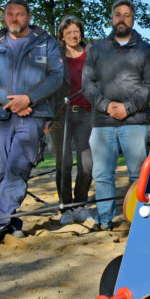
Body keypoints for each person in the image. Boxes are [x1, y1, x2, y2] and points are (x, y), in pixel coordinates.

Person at [0, 0, 64, 245]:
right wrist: (10, 100)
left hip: (32, 116)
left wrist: (29, 99)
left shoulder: (45, 43)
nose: (14, 19)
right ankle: (11, 219)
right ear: (4, 17)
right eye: (9, 14)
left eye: (19, 14)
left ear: (29, 16)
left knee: (17, 170)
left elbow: (56, 77)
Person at [83, 0, 150, 231]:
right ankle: (104, 219)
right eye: (118, 14)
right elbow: (88, 84)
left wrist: (128, 107)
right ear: (112, 18)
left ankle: (139, 221)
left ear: (133, 19)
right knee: (102, 174)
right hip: (102, 122)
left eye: (126, 15)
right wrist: (106, 105)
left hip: (134, 122)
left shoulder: (146, 50)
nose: (122, 19)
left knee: (138, 175)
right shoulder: (96, 50)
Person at [48, 16, 94, 226]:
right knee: (64, 163)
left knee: (87, 163)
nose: (73, 36)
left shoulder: (93, 53)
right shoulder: (54, 55)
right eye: (68, 33)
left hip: (85, 113)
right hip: (61, 115)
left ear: (81, 33)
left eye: (76, 31)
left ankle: (80, 204)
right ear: (62, 36)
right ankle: (65, 208)